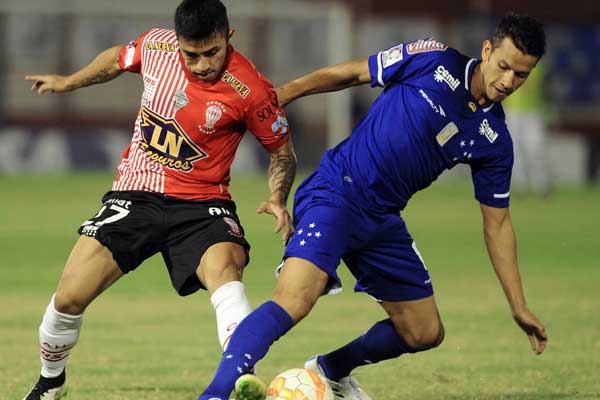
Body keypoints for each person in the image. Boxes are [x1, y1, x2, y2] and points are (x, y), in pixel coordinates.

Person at [197, 13, 549, 400]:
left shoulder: (494, 139)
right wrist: (283, 94)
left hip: (382, 218)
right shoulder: (435, 59)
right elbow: (351, 74)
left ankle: (330, 370)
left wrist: (518, 305)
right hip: (336, 190)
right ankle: (214, 394)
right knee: (296, 298)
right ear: (487, 49)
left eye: (521, 75)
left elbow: (497, 224)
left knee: (423, 331)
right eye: (503, 67)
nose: (507, 82)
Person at [22, 1, 297, 399]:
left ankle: (239, 379)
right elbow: (116, 59)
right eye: (192, 54)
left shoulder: (252, 90)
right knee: (68, 298)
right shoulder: (156, 46)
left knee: (227, 272)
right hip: (136, 193)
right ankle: (51, 382)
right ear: (178, 42)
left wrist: (276, 195)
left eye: (211, 53)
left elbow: (282, 152)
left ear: (229, 36)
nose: (202, 64)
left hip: (203, 205)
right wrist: (69, 82)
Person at [504, 61, 552, 196]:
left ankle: (542, 185)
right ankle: (520, 185)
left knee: (536, 148)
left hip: (533, 111)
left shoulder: (537, 64)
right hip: (513, 110)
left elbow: (543, 87)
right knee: (516, 151)